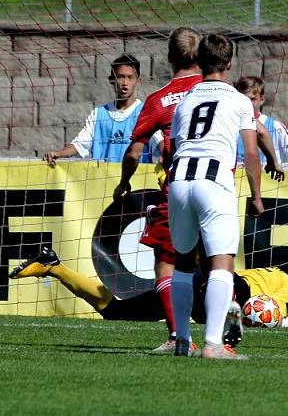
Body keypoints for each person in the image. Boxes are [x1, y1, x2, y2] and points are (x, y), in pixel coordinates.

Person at [8, 245, 288, 344]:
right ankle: (218, 345)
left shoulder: (270, 285)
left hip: (206, 292)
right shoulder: (285, 287)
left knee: (115, 311)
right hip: (219, 285)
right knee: (233, 289)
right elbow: (271, 313)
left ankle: (52, 266)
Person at [168, 33, 264, 360]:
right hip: (213, 179)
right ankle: (212, 344)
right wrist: (256, 195)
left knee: (182, 261)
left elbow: (173, 146)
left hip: (180, 178)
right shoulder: (239, 100)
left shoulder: (187, 98)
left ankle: (182, 339)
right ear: (231, 63)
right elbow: (251, 153)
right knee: (221, 261)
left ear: (199, 62)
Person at [112, 27, 204, 354]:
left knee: (166, 264)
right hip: (217, 187)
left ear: (168, 57)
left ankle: (178, 336)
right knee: (217, 262)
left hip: (177, 189)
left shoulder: (159, 99)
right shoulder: (219, 91)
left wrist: (124, 182)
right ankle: (226, 318)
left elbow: (135, 151)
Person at [43, 54, 155, 165]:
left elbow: (159, 142)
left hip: (136, 182)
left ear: (138, 81)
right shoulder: (98, 114)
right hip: (104, 181)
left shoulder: (146, 112)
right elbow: (80, 144)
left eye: (130, 77)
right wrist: (58, 154)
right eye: (120, 77)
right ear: (111, 80)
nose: (125, 83)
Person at [235, 76, 288, 169]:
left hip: (268, 181)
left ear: (262, 99)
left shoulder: (275, 127)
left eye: (253, 99)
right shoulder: (229, 124)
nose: (248, 103)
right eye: (244, 99)